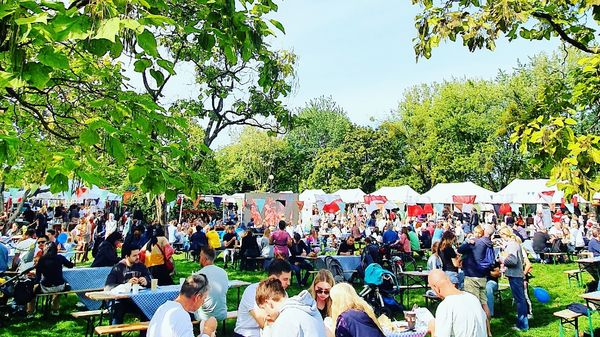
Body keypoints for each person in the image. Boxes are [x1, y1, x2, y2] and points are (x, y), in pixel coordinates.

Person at [234, 259, 292, 337]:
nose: (288, 283)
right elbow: (263, 322)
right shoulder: (253, 291)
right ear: (273, 278)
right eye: (285, 279)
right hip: (246, 333)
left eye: (289, 279)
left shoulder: (284, 294)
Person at [147, 274, 217, 337]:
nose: (203, 302)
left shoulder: (164, 307)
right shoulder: (181, 316)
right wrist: (207, 331)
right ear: (198, 297)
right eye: (204, 298)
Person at [255, 278, 326, 337]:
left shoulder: (285, 319)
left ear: (269, 303)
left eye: (264, 308)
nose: (265, 315)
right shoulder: (309, 308)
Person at [457, 225, 495, 336]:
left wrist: (468, 241)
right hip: (483, 276)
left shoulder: (475, 242)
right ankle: (488, 330)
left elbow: (460, 250)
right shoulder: (489, 244)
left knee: (473, 305)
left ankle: (476, 330)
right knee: (484, 304)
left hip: (472, 276)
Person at [428, 269, 487, 337]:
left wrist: (433, 329)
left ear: (436, 289)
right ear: (449, 280)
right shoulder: (473, 298)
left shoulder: (446, 306)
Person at [105, 246, 151, 326]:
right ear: (126, 256)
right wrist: (126, 285)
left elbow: (151, 279)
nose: (138, 257)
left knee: (147, 308)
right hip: (119, 301)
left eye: (138, 255)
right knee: (117, 310)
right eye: (134, 255)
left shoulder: (141, 266)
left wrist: (146, 281)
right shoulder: (118, 268)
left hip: (136, 300)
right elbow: (108, 286)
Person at [27, 242, 74, 316]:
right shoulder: (60, 257)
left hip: (46, 287)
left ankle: (30, 312)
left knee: (31, 293)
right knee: (59, 291)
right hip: (59, 286)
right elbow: (70, 265)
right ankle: (55, 310)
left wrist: (35, 285)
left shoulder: (42, 259)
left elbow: (38, 276)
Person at [499, 227, 529, 331]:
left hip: (515, 275)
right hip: (517, 274)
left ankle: (523, 324)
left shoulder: (511, 246)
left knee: (519, 300)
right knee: (520, 299)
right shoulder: (515, 244)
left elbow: (512, 261)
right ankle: (523, 323)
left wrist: (502, 258)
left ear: (504, 235)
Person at [195, 246, 228, 322]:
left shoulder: (199, 275)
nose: (199, 259)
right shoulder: (223, 272)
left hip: (205, 315)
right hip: (222, 313)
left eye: (200, 256)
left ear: (204, 259)